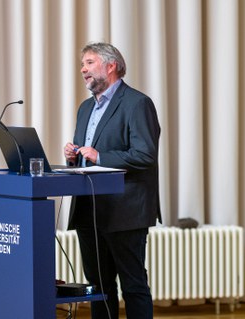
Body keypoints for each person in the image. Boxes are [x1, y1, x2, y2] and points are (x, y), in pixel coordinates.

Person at [64, 42, 161, 319]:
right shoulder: (85, 109)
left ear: (111, 65)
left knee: (133, 286)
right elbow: (89, 156)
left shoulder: (137, 103)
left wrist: (99, 155)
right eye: (82, 64)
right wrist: (74, 156)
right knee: (99, 287)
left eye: (90, 62)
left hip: (125, 211)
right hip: (90, 211)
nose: (83, 69)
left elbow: (145, 155)